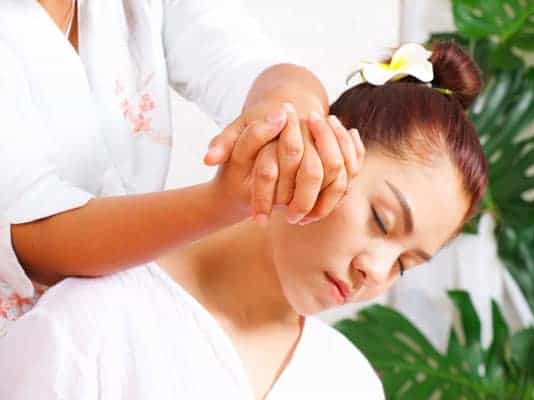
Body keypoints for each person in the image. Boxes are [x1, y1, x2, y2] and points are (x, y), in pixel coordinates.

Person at [0, 41, 488, 399]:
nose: (376, 272)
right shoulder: (89, 327)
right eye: (381, 220)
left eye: (405, 264)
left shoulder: (349, 383)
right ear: (323, 148)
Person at [0, 0, 362, 322]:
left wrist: (289, 118)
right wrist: (221, 202)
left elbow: (245, 60)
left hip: (106, 327)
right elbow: (35, 238)